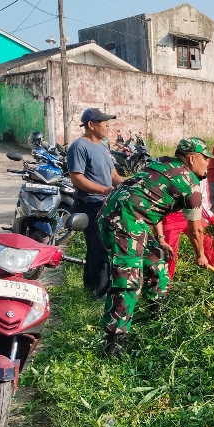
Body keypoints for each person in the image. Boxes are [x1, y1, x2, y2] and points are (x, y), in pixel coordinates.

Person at [98, 138, 214, 356]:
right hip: (124, 221)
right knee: (128, 278)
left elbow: (152, 204)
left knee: (156, 259)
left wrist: (160, 239)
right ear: (192, 158)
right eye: (205, 158)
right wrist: (201, 256)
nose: (207, 163)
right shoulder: (190, 185)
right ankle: (115, 342)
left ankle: (156, 313)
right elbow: (196, 230)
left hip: (117, 212)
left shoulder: (161, 164)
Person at [67, 108, 123, 298]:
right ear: (91, 125)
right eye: (104, 123)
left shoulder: (102, 147)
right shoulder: (79, 146)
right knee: (100, 248)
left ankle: (90, 288)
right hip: (89, 205)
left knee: (96, 248)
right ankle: (101, 294)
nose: (108, 126)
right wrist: (104, 190)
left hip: (103, 204)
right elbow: (76, 178)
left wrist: (132, 184)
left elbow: (113, 176)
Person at [161, 179, 214, 278]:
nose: (206, 164)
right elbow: (194, 199)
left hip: (191, 212)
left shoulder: (202, 170)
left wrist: (209, 216)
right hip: (170, 214)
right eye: (205, 162)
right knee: (168, 252)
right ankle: (163, 286)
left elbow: (202, 196)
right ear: (192, 162)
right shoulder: (180, 172)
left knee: (207, 241)